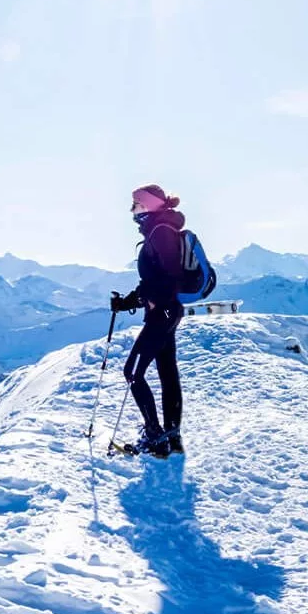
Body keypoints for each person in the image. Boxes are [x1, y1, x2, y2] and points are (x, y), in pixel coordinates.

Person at [110, 184, 186, 458]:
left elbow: (170, 276)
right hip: (166, 311)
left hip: (163, 313)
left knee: (132, 372)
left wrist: (155, 299)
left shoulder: (162, 232)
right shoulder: (161, 230)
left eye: (137, 205)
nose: (132, 210)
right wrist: (127, 303)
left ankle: (156, 437)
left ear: (150, 206)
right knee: (167, 372)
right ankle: (171, 437)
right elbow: (151, 281)